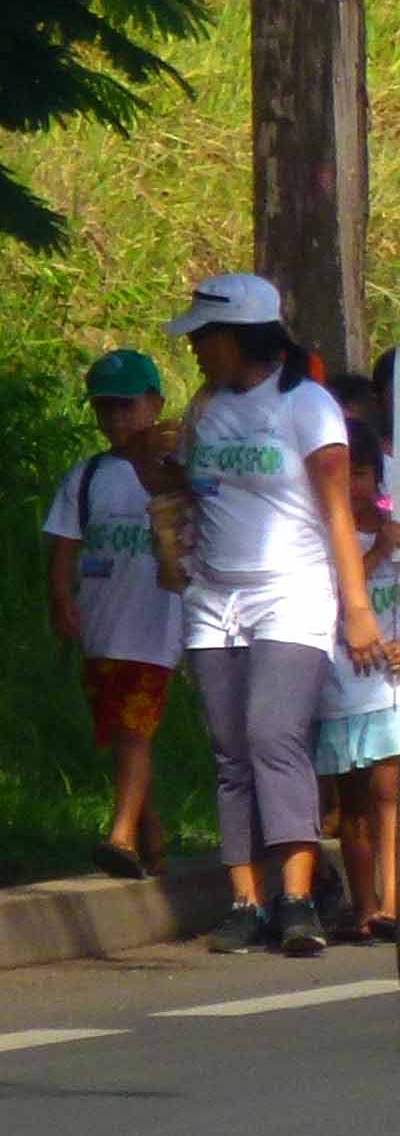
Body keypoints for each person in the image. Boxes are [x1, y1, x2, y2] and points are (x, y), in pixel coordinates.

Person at [168, 273, 380, 957]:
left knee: (272, 736)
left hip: (292, 590)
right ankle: (246, 900)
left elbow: (338, 511)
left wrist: (357, 609)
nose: (196, 349)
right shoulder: (205, 408)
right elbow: (189, 491)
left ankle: (296, 896)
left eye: (206, 336)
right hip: (213, 597)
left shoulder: (306, 406)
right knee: (230, 750)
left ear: (241, 337)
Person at [44, 349, 180, 880]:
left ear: (155, 405)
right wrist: (61, 598)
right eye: (105, 409)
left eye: (127, 406)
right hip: (102, 627)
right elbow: (64, 545)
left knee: (134, 729)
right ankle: (149, 831)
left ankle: (119, 835)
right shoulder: (89, 476)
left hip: (155, 628)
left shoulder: (175, 476)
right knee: (118, 730)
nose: (117, 420)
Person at [318, 428, 400, 944]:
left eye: (361, 472)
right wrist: (376, 553)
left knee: (389, 792)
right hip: (342, 680)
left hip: (395, 682)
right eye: (346, 472)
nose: (353, 484)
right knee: (353, 802)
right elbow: (332, 594)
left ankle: (394, 902)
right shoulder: (324, 536)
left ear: (377, 476)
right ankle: (363, 905)